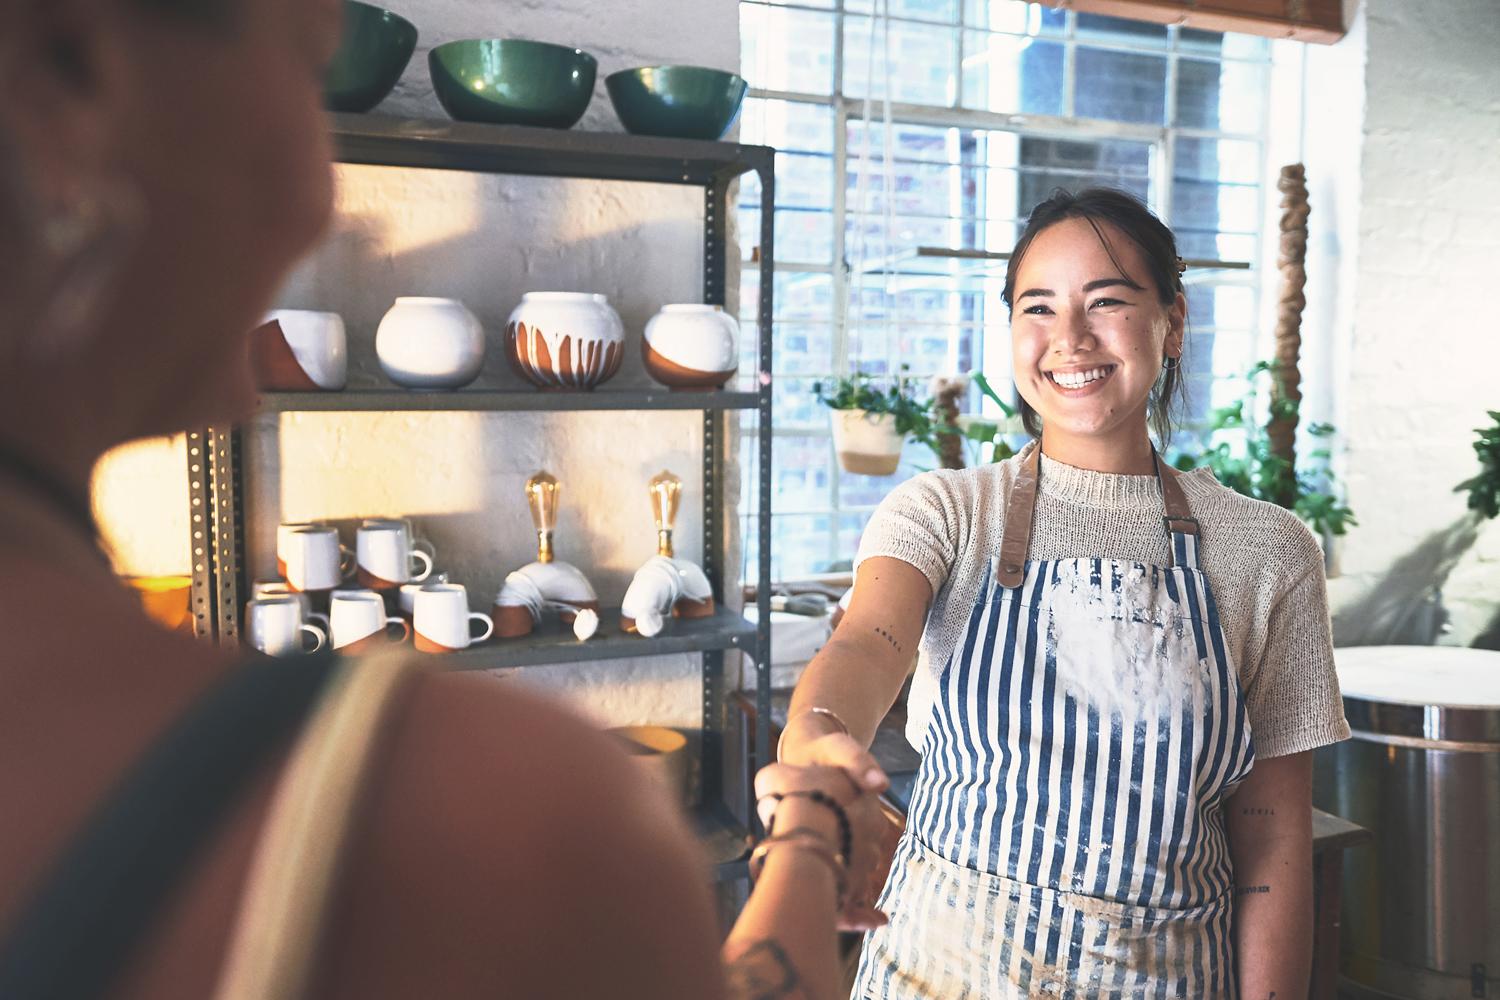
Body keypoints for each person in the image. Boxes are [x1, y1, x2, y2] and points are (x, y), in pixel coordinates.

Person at [0, 1, 887, 997]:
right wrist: (808, 835)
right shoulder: (458, 809)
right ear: (68, 86)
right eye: (302, 71)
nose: (317, 199)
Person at [780, 187, 1351, 997]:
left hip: (1161, 975)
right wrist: (817, 735)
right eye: (1037, 308)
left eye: (1108, 302)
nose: (1069, 340)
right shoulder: (945, 512)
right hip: (940, 969)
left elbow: (1270, 834)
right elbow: (865, 647)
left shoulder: (1268, 550)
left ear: (1173, 321)